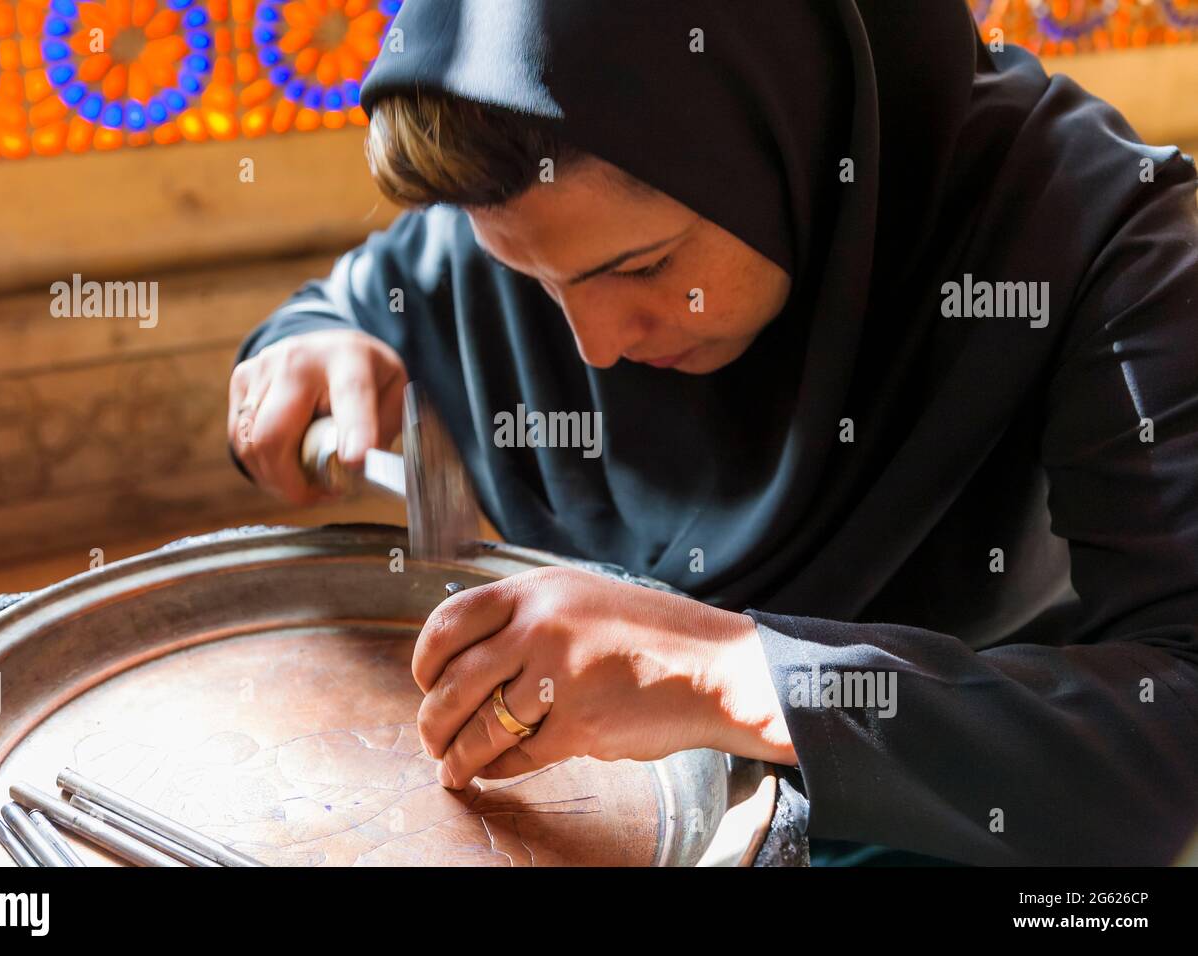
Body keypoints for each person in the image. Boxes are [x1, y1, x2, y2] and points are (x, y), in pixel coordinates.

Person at [227, 0, 1198, 865]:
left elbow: (1171, 732)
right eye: (532, 282)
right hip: (593, 804)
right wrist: (306, 346)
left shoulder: (1107, 246)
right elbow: (351, 304)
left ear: (791, 129)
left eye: (643, 266)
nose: (594, 345)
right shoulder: (536, 187)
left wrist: (731, 670)